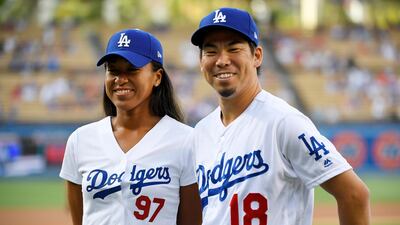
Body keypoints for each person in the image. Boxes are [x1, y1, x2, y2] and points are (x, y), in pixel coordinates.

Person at [190, 7, 370, 225]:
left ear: (257, 56)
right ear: (201, 62)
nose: (222, 60)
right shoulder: (200, 132)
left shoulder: (283, 122)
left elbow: (354, 195)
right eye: (210, 51)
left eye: (233, 48)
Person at [59, 28, 202, 225]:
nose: (120, 79)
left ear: (157, 77)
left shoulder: (186, 140)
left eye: (132, 69)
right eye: (113, 70)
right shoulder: (80, 140)